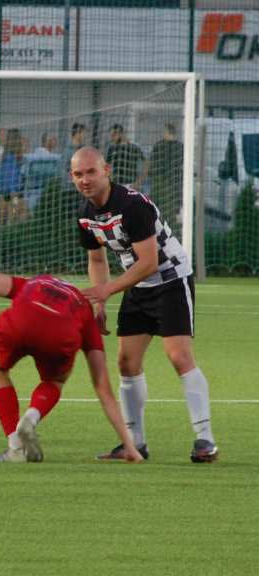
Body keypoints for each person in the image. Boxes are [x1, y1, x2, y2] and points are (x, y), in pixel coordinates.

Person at [71, 146, 218, 463]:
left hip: (170, 280)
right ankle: (134, 443)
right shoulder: (85, 214)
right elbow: (96, 259)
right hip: (136, 284)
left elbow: (149, 262)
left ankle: (205, 440)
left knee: (178, 356)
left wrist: (108, 290)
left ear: (106, 170)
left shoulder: (131, 205)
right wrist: (99, 304)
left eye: (91, 171)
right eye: (78, 174)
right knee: (126, 363)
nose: (85, 179)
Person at [0, 272, 143, 463]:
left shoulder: (33, 282)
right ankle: (31, 418)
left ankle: (15, 448)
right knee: (54, 381)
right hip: (61, 334)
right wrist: (130, 447)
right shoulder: (85, 311)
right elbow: (103, 388)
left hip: (21, 319)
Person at [148, 123, 184, 227]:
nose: (163, 134)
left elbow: (152, 163)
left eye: (164, 131)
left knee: (163, 208)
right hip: (171, 181)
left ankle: (165, 228)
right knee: (165, 208)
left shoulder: (160, 145)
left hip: (166, 182)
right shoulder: (179, 146)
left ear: (168, 132)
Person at [0, 128, 28, 225]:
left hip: (4, 185)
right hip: (14, 186)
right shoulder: (18, 155)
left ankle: (1, 227)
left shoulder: (5, 154)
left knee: (2, 209)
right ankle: (11, 225)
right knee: (14, 207)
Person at [106, 124, 146, 190]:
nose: (111, 138)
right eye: (111, 135)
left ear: (120, 134)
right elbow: (107, 166)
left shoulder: (133, 147)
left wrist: (139, 182)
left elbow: (146, 163)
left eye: (113, 135)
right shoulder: (111, 148)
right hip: (117, 184)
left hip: (131, 184)